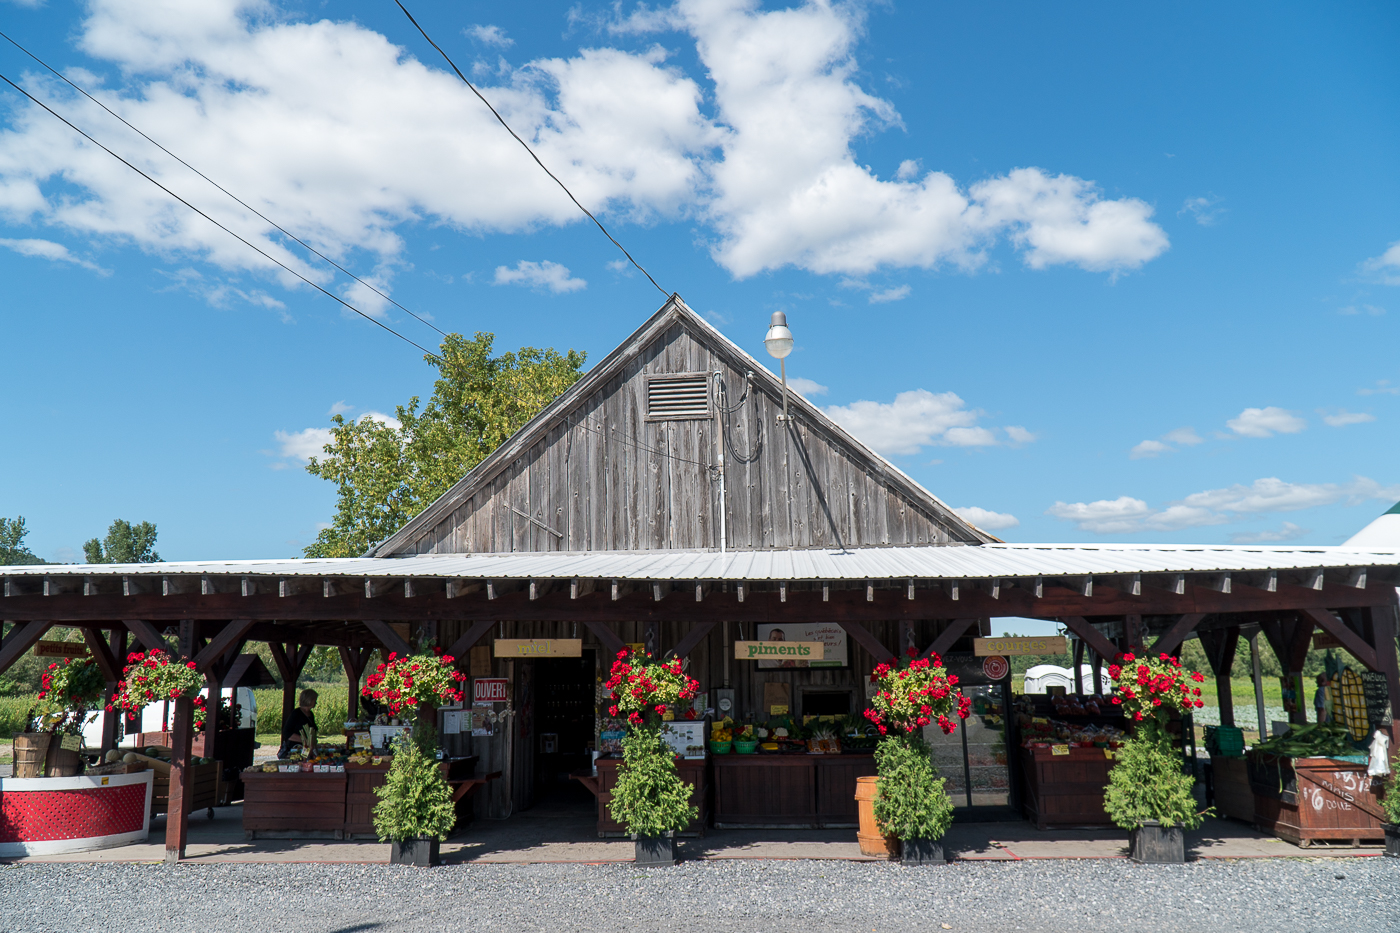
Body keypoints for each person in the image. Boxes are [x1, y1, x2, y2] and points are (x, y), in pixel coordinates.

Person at [279, 688, 319, 757]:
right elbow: (287, 732)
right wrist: (305, 741)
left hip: (307, 750)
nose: (316, 703)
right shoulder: (296, 713)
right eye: (314, 700)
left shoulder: (310, 714)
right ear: (309, 700)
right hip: (296, 749)